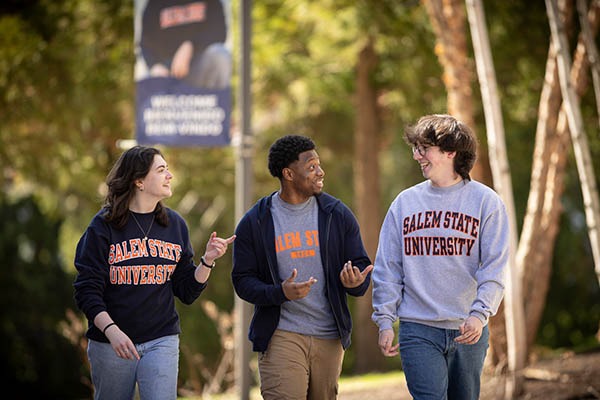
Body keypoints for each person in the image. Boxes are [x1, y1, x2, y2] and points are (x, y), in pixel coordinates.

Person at [73, 145, 235, 400]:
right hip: (111, 342)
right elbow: (87, 290)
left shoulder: (175, 225)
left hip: (161, 339)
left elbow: (187, 291)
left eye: (167, 169)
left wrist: (207, 261)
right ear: (138, 181)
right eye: (161, 170)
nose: (169, 175)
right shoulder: (103, 227)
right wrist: (112, 332)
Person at [371, 114, 509, 400]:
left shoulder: (486, 203)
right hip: (417, 329)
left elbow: (494, 268)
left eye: (424, 148)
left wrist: (479, 314)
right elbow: (388, 267)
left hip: (468, 330)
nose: (416, 155)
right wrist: (385, 320)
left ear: (450, 152)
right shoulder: (404, 204)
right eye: (416, 148)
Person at [232, 134, 374, 400]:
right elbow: (242, 280)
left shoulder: (336, 214)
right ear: (288, 173)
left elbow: (361, 265)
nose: (320, 172)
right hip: (280, 335)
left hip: (328, 335)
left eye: (319, 165)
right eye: (311, 166)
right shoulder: (256, 221)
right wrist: (279, 292)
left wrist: (355, 282)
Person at [139, 0, 232, 89]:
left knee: (221, 55)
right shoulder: (154, 3)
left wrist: (191, 46)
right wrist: (154, 65)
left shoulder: (211, 2)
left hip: (200, 70)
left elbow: (219, 33)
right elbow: (146, 42)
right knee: (145, 82)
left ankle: (218, 102)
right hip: (166, 74)